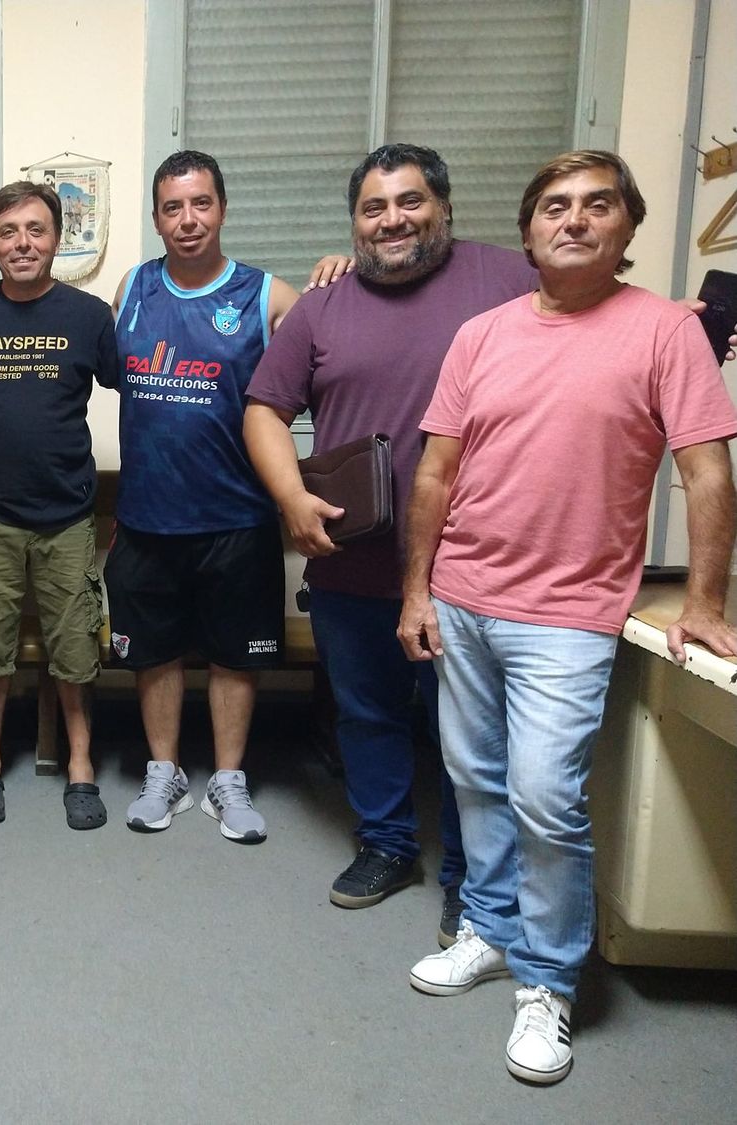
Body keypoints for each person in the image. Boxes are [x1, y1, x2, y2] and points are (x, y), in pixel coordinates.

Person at [398, 150, 737, 1084]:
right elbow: (435, 472)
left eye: (597, 206)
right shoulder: (483, 334)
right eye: (555, 206)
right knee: (474, 781)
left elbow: (707, 472)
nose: (574, 220)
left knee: (546, 796)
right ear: (529, 229)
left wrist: (705, 601)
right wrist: (419, 588)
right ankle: (492, 930)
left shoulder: (669, 332)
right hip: (465, 596)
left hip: (569, 612)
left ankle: (548, 979)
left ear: (626, 228)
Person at [244, 143, 539, 942]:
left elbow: (594, 316)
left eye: (409, 202)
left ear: (443, 206)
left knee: (468, 729)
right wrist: (291, 496)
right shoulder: (324, 305)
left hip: (473, 563)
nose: (392, 220)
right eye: (373, 209)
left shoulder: (508, 279)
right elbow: (265, 408)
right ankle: (387, 845)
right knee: (368, 714)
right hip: (354, 558)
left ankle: (468, 876)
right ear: (354, 223)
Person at [106, 150, 299, 841]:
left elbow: (334, 353)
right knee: (153, 654)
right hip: (148, 517)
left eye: (200, 204)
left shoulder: (267, 296)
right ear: (157, 217)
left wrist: (340, 273)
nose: (187, 220)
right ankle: (166, 772)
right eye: (172, 207)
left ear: (221, 207)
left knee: (233, 657)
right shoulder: (132, 288)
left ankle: (228, 778)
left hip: (237, 518)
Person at [0, 181, 119, 830]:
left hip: (68, 514)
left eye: (36, 229)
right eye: (8, 231)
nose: (23, 242)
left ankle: (80, 766)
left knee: (74, 647)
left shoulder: (87, 315)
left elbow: (132, 380)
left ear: (57, 239)